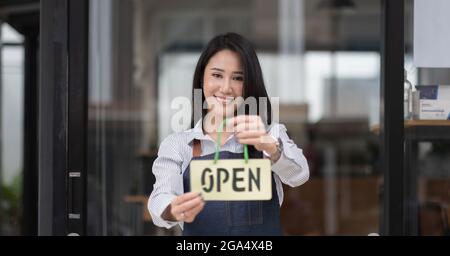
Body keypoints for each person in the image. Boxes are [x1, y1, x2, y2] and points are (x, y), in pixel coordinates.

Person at [148, 32, 309, 236]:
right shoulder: (179, 144)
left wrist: (271, 149)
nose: (226, 88)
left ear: (250, 83)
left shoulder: (270, 134)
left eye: (238, 78)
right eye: (217, 75)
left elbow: (300, 175)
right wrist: (173, 209)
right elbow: (160, 197)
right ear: (202, 78)